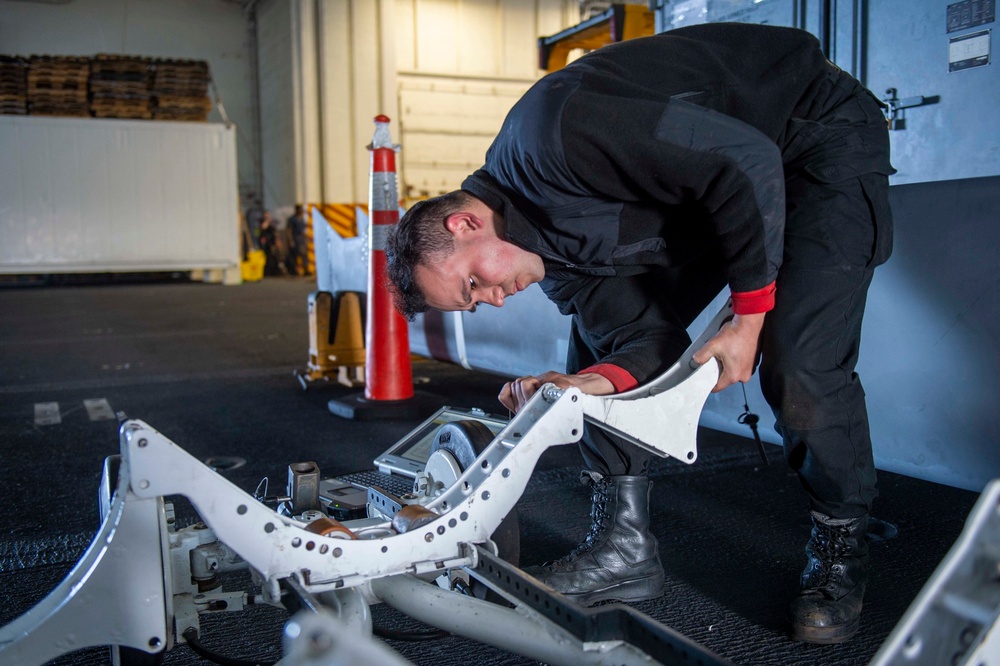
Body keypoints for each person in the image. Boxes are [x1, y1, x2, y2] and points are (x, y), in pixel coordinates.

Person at [385, 22, 893, 645]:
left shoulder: (557, 134)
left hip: (809, 137)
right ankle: (623, 546)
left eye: (472, 287)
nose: (491, 301)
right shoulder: (556, 266)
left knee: (799, 359)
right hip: (719, 192)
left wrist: (749, 317)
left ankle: (841, 538)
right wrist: (576, 387)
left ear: (466, 223)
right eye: (473, 305)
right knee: (592, 350)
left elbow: (744, 159)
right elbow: (643, 344)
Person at [286, 204, 310, 276]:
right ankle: (294, 270)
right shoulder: (292, 219)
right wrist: (290, 240)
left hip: (301, 238)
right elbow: (289, 230)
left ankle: (306, 269)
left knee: (304, 254)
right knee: (294, 255)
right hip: (295, 238)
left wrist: (306, 237)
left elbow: (303, 230)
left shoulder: (302, 219)